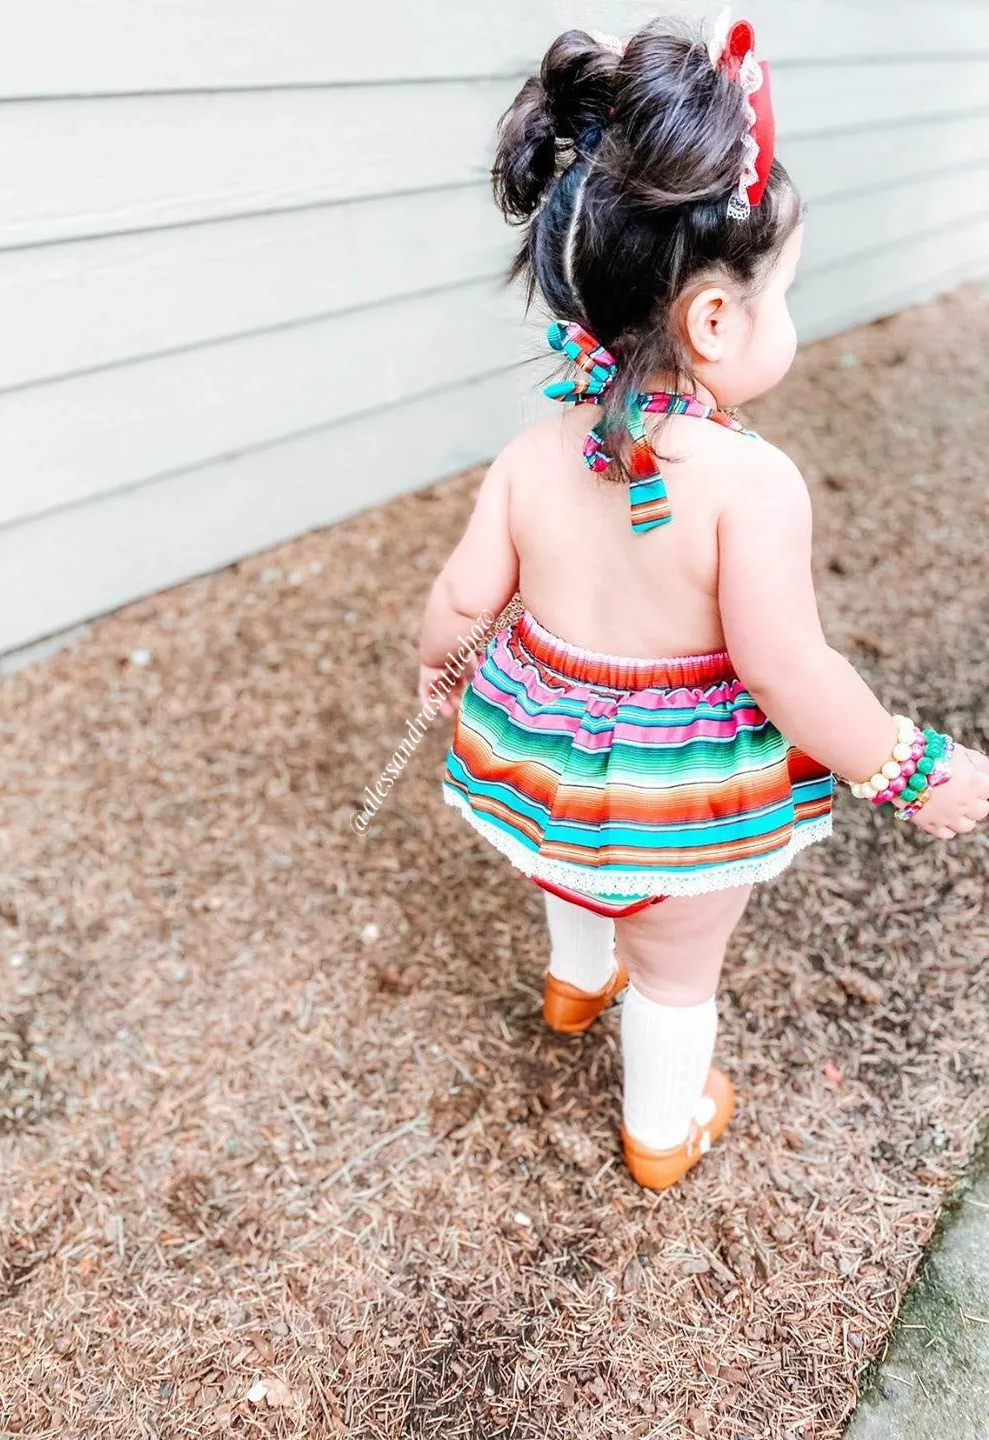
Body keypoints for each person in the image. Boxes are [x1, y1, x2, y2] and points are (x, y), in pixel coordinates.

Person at [417, 17, 989, 1190]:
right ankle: (663, 1130)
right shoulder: (753, 485)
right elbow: (787, 670)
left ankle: (577, 982)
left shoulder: (537, 447)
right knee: (677, 970)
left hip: (543, 760)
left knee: (571, 873)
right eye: (781, 292)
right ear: (715, 323)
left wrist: (440, 670)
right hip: (676, 796)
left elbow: (463, 596)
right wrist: (905, 765)